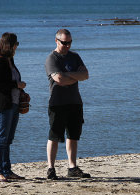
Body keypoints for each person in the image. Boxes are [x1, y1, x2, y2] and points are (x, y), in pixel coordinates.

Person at [44, 29, 90, 180]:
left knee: (73, 135)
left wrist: (68, 75)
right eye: (64, 43)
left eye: (70, 42)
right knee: (55, 136)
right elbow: (59, 80)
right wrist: (75, 76)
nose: (67, 45)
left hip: (75, 102)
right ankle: (51, 168)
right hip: (57, 103)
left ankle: (72, 167)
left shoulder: (75, 57)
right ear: (57, 41)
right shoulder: (52, 58)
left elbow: (85, 75)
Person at [0, 32, 27, 182]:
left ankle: (7, 170)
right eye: (15, 44)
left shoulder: (9, 60)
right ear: (9, 45)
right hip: (4, 105)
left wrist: (22, 90)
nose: (17, 47)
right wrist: (16, 85)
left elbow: (12, 81)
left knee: (8, 139)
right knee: (1, 139)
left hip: (14, 103)